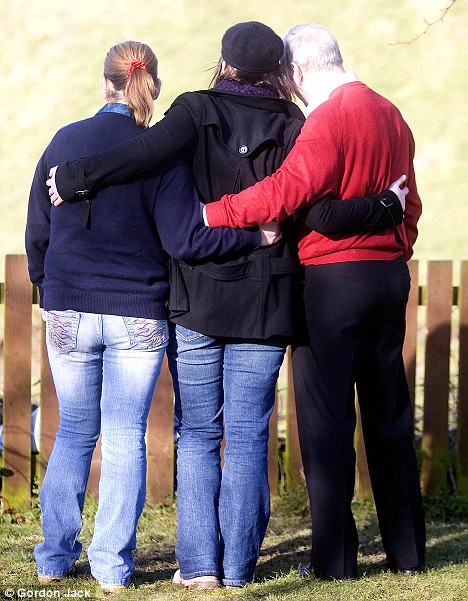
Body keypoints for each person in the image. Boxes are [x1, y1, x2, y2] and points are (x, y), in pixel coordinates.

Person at [45, 23, 408, 588]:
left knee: (199, 436)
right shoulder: (296, 122)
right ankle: (238, 569)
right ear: (278, 71)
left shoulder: (192, 111)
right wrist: (383, 207)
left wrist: (78, 177)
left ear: (224, 62)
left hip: (199, 296)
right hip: (265, 300)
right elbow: (306, 205)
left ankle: (197, 567)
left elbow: (141, 154)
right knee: (246, 435)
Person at [26, 40, 278, 593]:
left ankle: (52, 556)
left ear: (105, 84)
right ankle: (112, 567)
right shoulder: (157, 153)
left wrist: (48, 288)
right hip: (136, 313)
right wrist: (252, 234)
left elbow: (38, 229)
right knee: (123, 437)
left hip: (68, 307)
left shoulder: (64, 142)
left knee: (72, 431)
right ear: (152, 87)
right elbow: (186, 237)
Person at [203, 23, 426, 580]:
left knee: (326, 422)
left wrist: (217, 213)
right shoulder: (391, 113)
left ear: (299, 72)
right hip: (388, 276)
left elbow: (285, 191)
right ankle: (407, 553)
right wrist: (391, 239)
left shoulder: (328, 119)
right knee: (389, 414)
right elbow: (411, 206)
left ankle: (334, 561)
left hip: (331, 284)